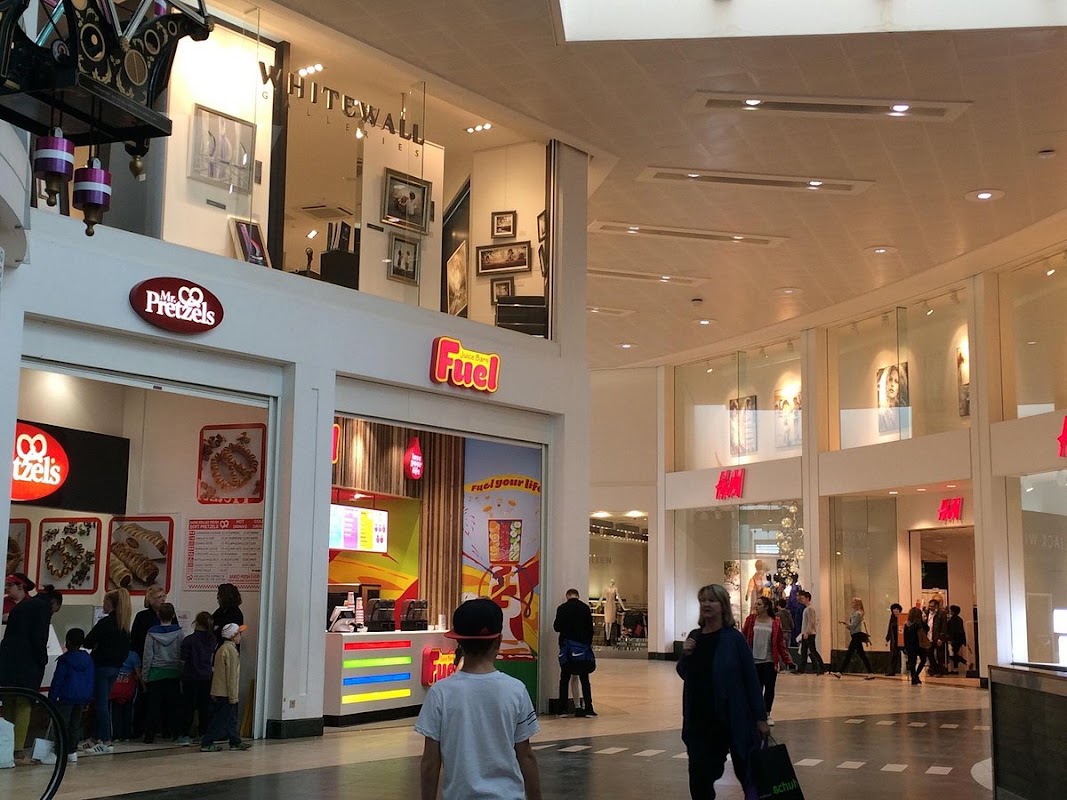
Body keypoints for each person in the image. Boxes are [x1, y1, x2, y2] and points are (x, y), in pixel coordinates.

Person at [415, 598, 542, 800]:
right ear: (498, 641)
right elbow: (525, 755)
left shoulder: (440, 693)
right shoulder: (516, 690)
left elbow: (430, 762)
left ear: (459, 642)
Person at [678, 584, 769, 800]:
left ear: (723, 606)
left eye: (712, 600)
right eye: (703, 600)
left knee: (747, 773)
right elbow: (684, 673)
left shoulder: (734, 639)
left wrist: (760, 718)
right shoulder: (695, 637)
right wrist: (686, 655)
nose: (706, 604)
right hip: (700, 719)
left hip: (732, 717)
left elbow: (751, 679)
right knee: (699, 776)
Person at [0, 573, 54, 765]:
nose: (7, 589)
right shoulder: (40, 607)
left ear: (20, 586)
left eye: (10, 585)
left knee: (8, 702)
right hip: (26, 662)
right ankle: (18, 751)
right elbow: (39, 637)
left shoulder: (21, 607)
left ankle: (5, 747)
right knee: (24, 703)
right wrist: (42, 660)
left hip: (7, 659)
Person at [83, 588, 132, 754]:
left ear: (110, 604)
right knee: (103, 702)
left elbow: (88, 641)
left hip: (101, 667)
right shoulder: (124, 625)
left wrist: (97, 646)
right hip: (116, 667)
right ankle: (95, 737)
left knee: (101, 704)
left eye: (105, 602)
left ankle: (106, 740)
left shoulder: (105, 623)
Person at [43, 627, 94, 764]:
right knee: (75, 725)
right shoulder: (88, 659)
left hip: (65, 697)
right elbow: (90, 679)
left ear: (68, 642)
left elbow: (57, 680)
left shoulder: (65, 660)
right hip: (81, 697)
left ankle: (57, 752)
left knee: (61, 725)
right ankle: (72, 752)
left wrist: (51, 699)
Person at [742, 596, 793, 726]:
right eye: (756, 604)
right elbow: (743, 637)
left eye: (759, 604)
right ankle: (756, 714)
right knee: (756, 688)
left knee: (769, 688)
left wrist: (787, 660)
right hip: (754, 661)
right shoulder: (751, 620)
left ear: (766, 607)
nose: (756, 606)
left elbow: (780, 643)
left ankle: (767, 713)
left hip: (769, 660)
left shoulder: (775, 622)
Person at [199, 623, 251, 752]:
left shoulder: (222, 648)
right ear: (233, 636)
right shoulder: (231, 651)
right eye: (239, 634)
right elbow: (231, 675)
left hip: (220, 690)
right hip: (226, 692)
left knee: (230, 719)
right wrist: (233, 696)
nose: (240, 637)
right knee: (221, 719)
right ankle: (207, 742)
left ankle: (235, 741)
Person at [142, 602, 183, 743]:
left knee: (153, 707)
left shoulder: (151, 633)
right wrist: (180, 672)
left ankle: (149, 736)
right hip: (173, 672)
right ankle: (174, 733)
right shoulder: (179, 632)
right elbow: (181, 654)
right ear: (173, 616)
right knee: (173, 707)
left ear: (158, 615)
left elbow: (148, 655)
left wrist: (145, 675)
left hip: (155, 673)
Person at [130, 585, 166, 737]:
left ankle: (159, 728)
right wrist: (137, 664)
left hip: (163, 661)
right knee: (144, 695)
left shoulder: (168, 615)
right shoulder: (142, 617)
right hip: (145, 660)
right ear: (151, 600)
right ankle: (139, 728)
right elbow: (135, 640)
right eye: (159, 597)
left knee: (160, 697)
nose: (163, 600)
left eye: (164, 597)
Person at [554, 588, 596, 717]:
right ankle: (588, 709)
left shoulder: (562, 608)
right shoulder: (585, 608)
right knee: (584, 679)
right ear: (578, 595)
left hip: (567, 649)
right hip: (582, 648)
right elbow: (590, 629)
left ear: (567, 596)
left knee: (564, 678)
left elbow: (557, 627)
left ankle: (562, 710)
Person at [179, 611, 217, 745]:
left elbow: (183, 659)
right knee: (204, 707)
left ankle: (185, 734)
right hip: (206, 676)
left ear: (196, 623)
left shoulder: (189, 640)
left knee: (188, 706)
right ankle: (203, 733)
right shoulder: (212, 640)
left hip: (190, 676)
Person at [836, 597, 875, 679]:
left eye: (853, 602)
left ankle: (840, 671)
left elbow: (853, 626)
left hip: (856, 636)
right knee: (860, 654)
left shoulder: (857, 614)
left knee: (850, 654)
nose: (852, 603)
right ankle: (870, 672)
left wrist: (846, 625)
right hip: (856, 635)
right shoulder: (858, 613)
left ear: (857, 604)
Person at [796, 590, 827, 676]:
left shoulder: (810, 609)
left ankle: (822, 667)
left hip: (809, 634)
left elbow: (811, 621)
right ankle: (801, 669)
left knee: (813, 651)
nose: (802, 600)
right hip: (806, 633)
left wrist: (807, 632)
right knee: (804, 652)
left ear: (807, 598)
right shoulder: (807, 609)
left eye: (803, 598)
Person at [903, 607, 930, 685]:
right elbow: (927, 629)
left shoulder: (907, 624)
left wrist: (905, 647)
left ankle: (913, 676)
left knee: (912, 662)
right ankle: (916, 675)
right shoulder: (920, 623)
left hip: (911, 645)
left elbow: (905, 636)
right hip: (920, 645)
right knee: (923, 659)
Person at [928, 598, 948, 676]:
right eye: (929, 606)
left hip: (937, 637)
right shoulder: (927, 614)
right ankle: (934, 668)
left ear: (936, 606)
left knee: (940, 655)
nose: (930, 608)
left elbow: (944, 627)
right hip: (929, 637)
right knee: (929, 653)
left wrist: (941, 638)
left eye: (932, 606)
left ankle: (940, 670)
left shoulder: (941, 614)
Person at [947, 605, 968, 673]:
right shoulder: (960, 619)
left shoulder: (953, 620)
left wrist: (950, 639)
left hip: (954, 639)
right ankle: (955, 668)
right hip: (959, 639)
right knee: (955, 653)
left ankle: (965, 662)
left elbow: (952, 630)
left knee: (952, 654)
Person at [885, 604, 904, 676]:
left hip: (902, 639)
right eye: (894, 609)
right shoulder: (892, 618)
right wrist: (887, 638)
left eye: (897, 609)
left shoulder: (902, 618)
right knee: (893, 655)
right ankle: (891, 671)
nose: (895, 611)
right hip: (894, 640)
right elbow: (889, 629)